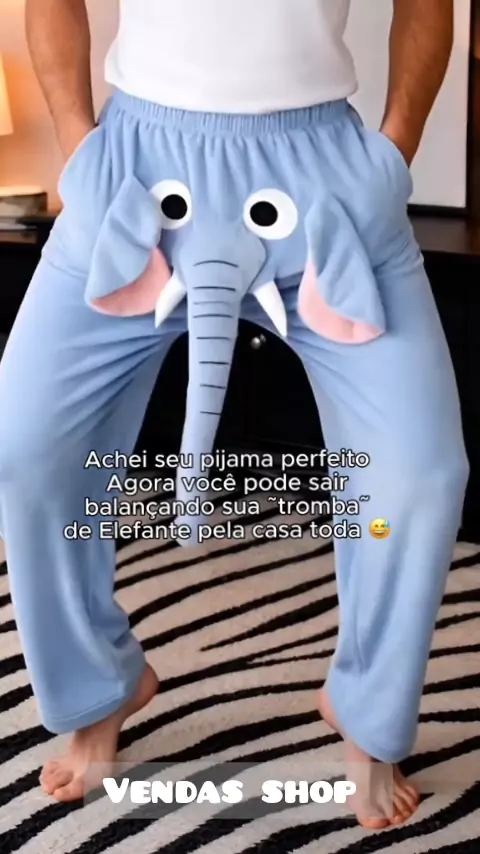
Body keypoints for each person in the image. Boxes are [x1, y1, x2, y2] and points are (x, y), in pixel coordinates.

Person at [0, 0, 468, 830]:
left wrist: (392, 155)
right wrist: (80, 149)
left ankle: (369, 709)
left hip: (324, 172)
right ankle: (98, 685)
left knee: (419, 470)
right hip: (138, 167)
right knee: (28, 441)